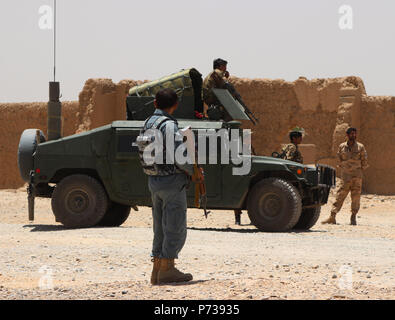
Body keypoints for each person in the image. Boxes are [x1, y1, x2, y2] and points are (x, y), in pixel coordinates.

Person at [137, 88, 203, 285]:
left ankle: (157, 269)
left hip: (153, 180)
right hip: (172, 181)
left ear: (155, 104)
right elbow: (179, 156)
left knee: (159, 226)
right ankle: (167, 269)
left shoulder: (148, 123)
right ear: (175, 105)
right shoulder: (169, 125)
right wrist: (193, 172)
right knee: (174, 225)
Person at [322, 127, 369, 226]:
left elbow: (364, 161)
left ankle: (353, 217)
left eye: (355, 134)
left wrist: (357, 169)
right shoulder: (342, 147)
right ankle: (332, 216)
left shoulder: (360, 147)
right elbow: (338, 159)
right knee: (339, 195)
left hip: (357, 176)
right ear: (347, 135)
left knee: (356, 197)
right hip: (346, 177)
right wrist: (345, 167)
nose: (354, 136)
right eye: (352, 134)